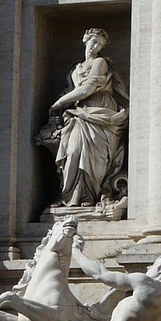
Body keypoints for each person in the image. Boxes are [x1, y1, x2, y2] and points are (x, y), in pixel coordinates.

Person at [43, 28, 128, 207]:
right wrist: (65, 101)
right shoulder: (75, 67)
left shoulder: (100, 63)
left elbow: (86, 90)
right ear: (85, 39)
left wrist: (59, 103)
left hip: (100, 112)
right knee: (72, 152)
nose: (95, 46)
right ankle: (71, 196)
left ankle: (89, 196)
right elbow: (73, 90)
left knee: (95, 160)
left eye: (99, 44)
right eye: (93, 41)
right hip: (79, 114)